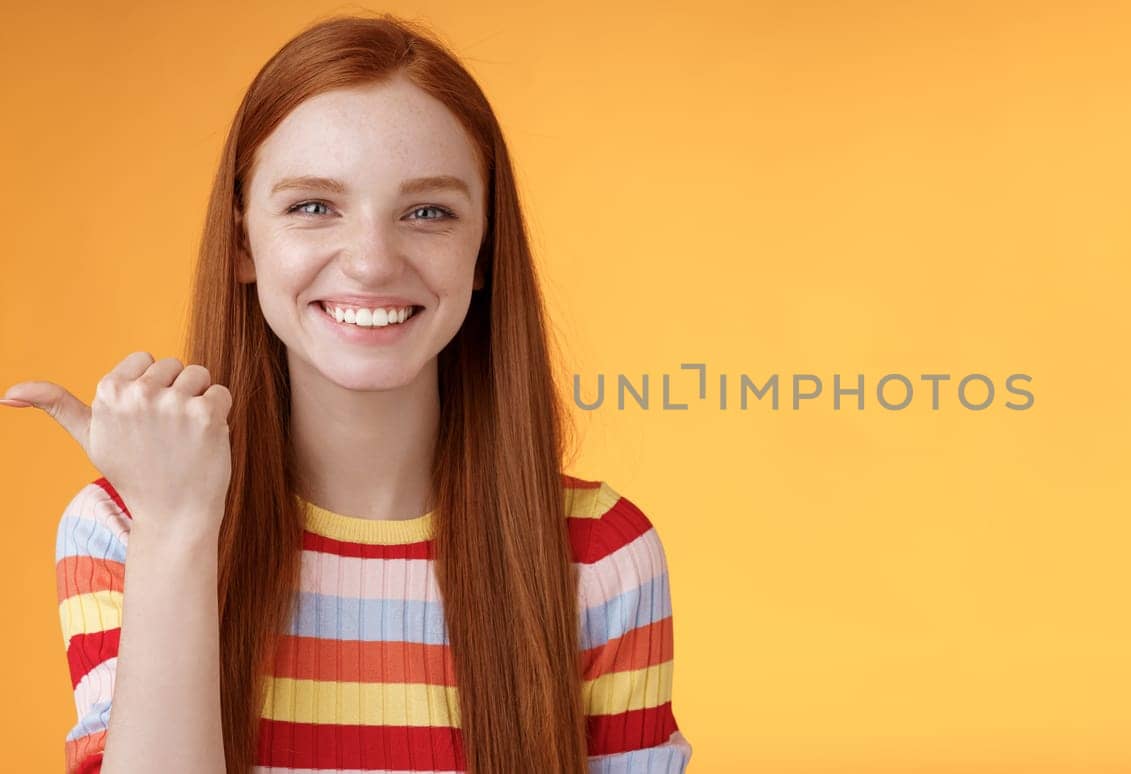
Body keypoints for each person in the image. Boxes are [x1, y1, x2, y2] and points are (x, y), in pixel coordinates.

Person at [4, 12, 690, 773]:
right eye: (313, 207)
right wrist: (176, 527)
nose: (370, 263)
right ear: (242, 244)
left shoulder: (600, 558)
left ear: (484, 251)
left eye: (428, 212)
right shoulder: (124, 529)